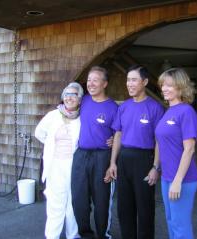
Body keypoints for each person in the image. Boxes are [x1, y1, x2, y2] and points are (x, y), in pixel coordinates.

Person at [106, 65, 164, 239]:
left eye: (134, 80)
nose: (129, 84)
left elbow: (159, 141)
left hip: (144, 161)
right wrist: (112, 163)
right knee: (124, 208)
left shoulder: (155, 108)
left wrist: (156, 167)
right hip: (124, 159)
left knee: (145, 208)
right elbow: (118, 134)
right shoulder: (124, 107)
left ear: (144, 82)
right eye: (128, 80)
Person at [71, 66, 118, 239]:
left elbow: (119, 134)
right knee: (79, 199)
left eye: (95, 80)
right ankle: (85, 234)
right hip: (81, 155)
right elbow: (67, 110)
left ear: (104, 84)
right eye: (89, 80)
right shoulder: (83, 101)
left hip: (102, 157)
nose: (90, 84)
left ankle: (103, 234)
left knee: (102, 200)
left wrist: (112, 160)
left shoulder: (113, 107)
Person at [35, 82, 84, 239]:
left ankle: (73, 235)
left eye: (74, 94)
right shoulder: (53, 115)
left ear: (80, 99)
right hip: (55, 165)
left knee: (73, 203)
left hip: (74, 165)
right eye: (67, 94)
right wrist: (51, 146)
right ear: (63, 97)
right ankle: (52, 236)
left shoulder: (82, 118)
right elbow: (39, 133)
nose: (69, 97)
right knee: (56, 203)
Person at [155, 68, 197, 239]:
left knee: (180, 225)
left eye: (169, 85)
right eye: (162, 85)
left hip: (182, 180)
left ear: (181, 87)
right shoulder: (168, 111)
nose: (164, 89)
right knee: (171, 220)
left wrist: (177, 181)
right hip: (167, 177)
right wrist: (156, 167)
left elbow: (189, 149)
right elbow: (161, 143)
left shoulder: (186, 112)